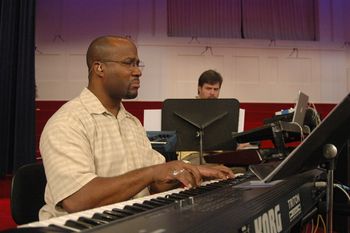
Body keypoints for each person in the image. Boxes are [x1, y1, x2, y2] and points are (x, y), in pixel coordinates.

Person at [39, 35, 234, 220]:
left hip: (130, 219)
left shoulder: (131, 122)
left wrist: (195, 171)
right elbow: (77, 200)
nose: (138, 71)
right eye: (128, 63)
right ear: (99, 68)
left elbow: (156, 184)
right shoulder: (67, 122)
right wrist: (153, 172)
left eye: (137, 64)